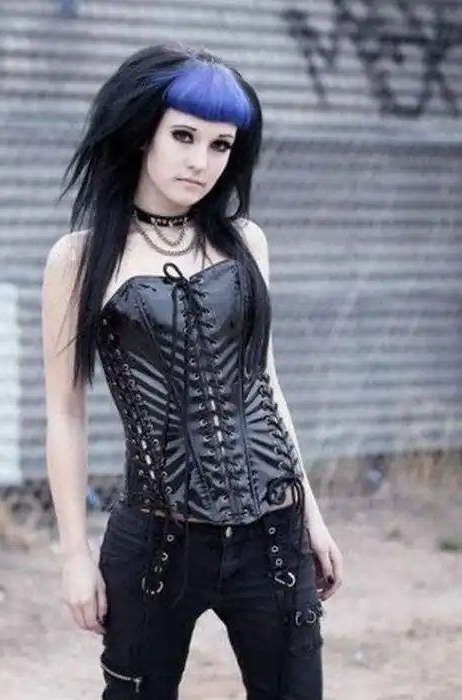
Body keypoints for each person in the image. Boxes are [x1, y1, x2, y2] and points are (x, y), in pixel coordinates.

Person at [41, 43, 344, 700]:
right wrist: (73, 556)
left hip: (272, 534)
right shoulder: (80, 259)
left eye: (219, 144)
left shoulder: (245, 241)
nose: (200, 161)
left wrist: (311, 518)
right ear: (141, 132)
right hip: (154, 542)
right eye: (183, 136)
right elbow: (65, 414)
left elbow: (263, 385)